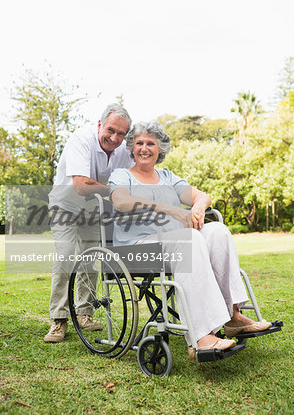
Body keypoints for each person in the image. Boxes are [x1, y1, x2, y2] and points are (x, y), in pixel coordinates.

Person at [109, 122, 272, 356]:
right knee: (190, 240)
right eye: (139, 143)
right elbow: (121, 202)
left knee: (217, 231)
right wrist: (169, 209)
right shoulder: (122, 175)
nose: (144, 148)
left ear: (160, 149)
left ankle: (232, 316)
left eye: (150, 143)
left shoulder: (167, 177)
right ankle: (201, 337)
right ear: (132, 148)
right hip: (136, 247)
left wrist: (197, 207)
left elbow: (202, 196)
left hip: (172, 241)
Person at [44, 103, 134, 343]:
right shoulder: (81, 140)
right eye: (111, 130)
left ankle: (84, 312)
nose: (114, 138)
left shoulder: (123, 150)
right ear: (99, 125)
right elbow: (81, 185)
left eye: (121, 133)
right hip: (65, 205)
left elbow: (131, 181)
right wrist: (115, 191)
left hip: (93, 207)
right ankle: (59, 319)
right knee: (65, 256)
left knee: (89, 258)